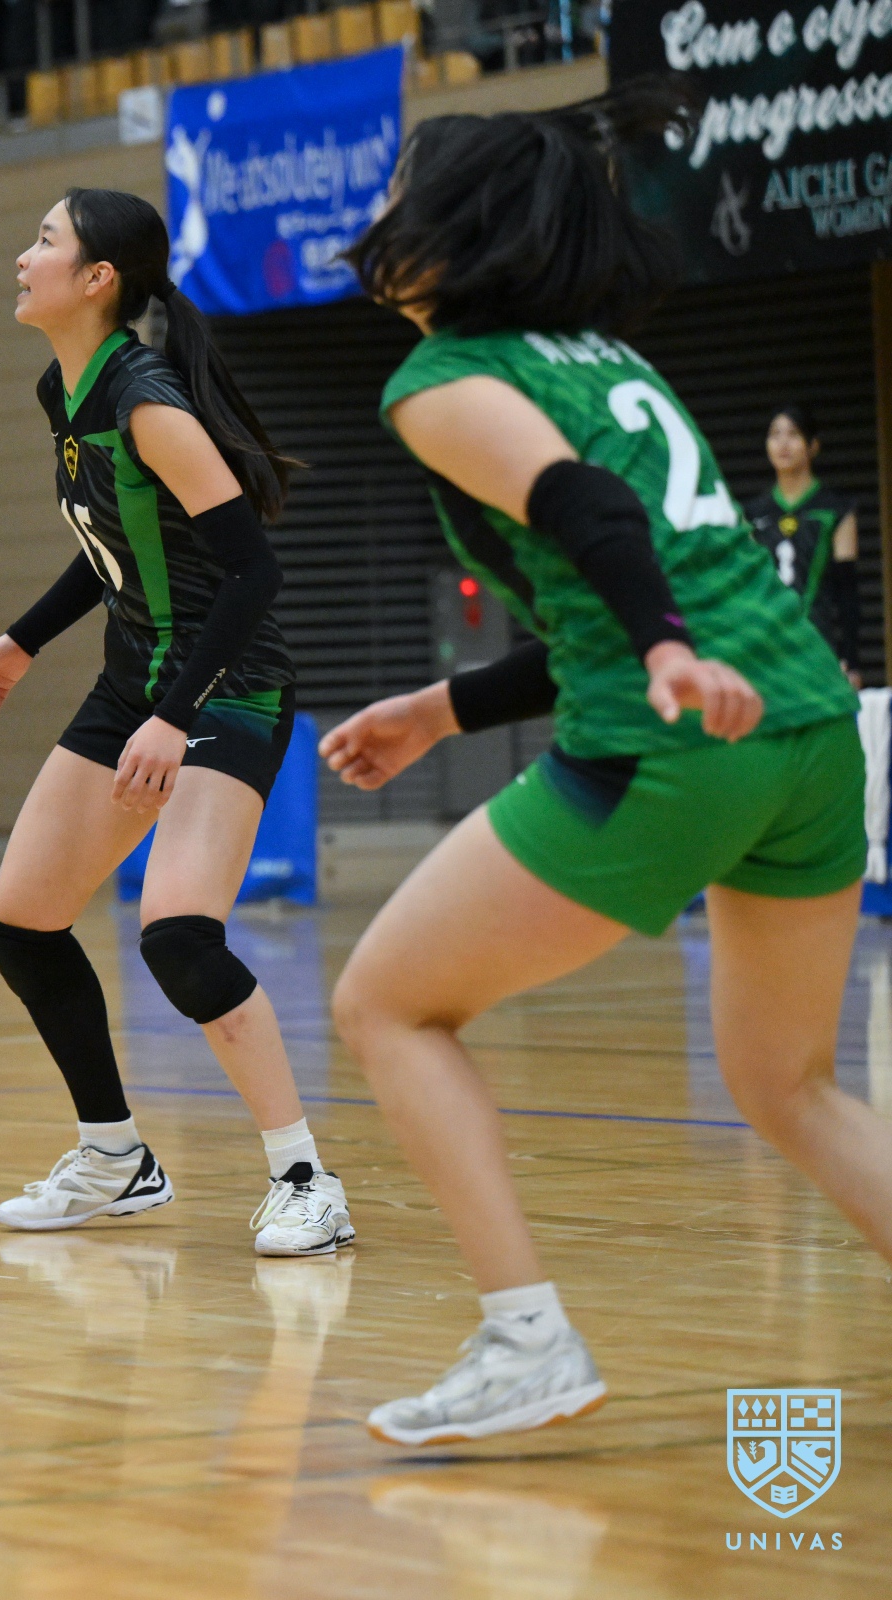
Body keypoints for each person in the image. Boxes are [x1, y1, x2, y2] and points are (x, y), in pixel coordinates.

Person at [324, 82, 892, 1446]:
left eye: (401, 189)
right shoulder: (600, 358)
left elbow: (590, 513)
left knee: (386, 1006)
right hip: (808, 729)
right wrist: (443, 707)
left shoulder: (442, 382)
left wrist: (663, 655)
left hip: (680, 738)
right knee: (791, 1084)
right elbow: (624, 574)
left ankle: (527, 1339)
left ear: (449, 227)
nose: (383, 211)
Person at [0, 188, 351, 1258]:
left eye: (44, 240)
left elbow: (252, 572)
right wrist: (23, 640)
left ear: (97, 280)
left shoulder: (149, 403)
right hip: (136, 685)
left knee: (176, 933)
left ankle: (305, 1177)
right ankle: (115, 1158)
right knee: (20, 924)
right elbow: (116, 544)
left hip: (227, 689)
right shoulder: (62, 387)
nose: (22, 255)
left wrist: (175, 717)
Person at [745, 404, 862, 687]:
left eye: (793, 434)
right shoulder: (753, 514)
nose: (783, 443)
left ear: (813, 446)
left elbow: (847, 590)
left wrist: (852, 660)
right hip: (767, 647)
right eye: (775, 434)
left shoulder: (835, 509)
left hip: (818, 646)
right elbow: (748, 588)